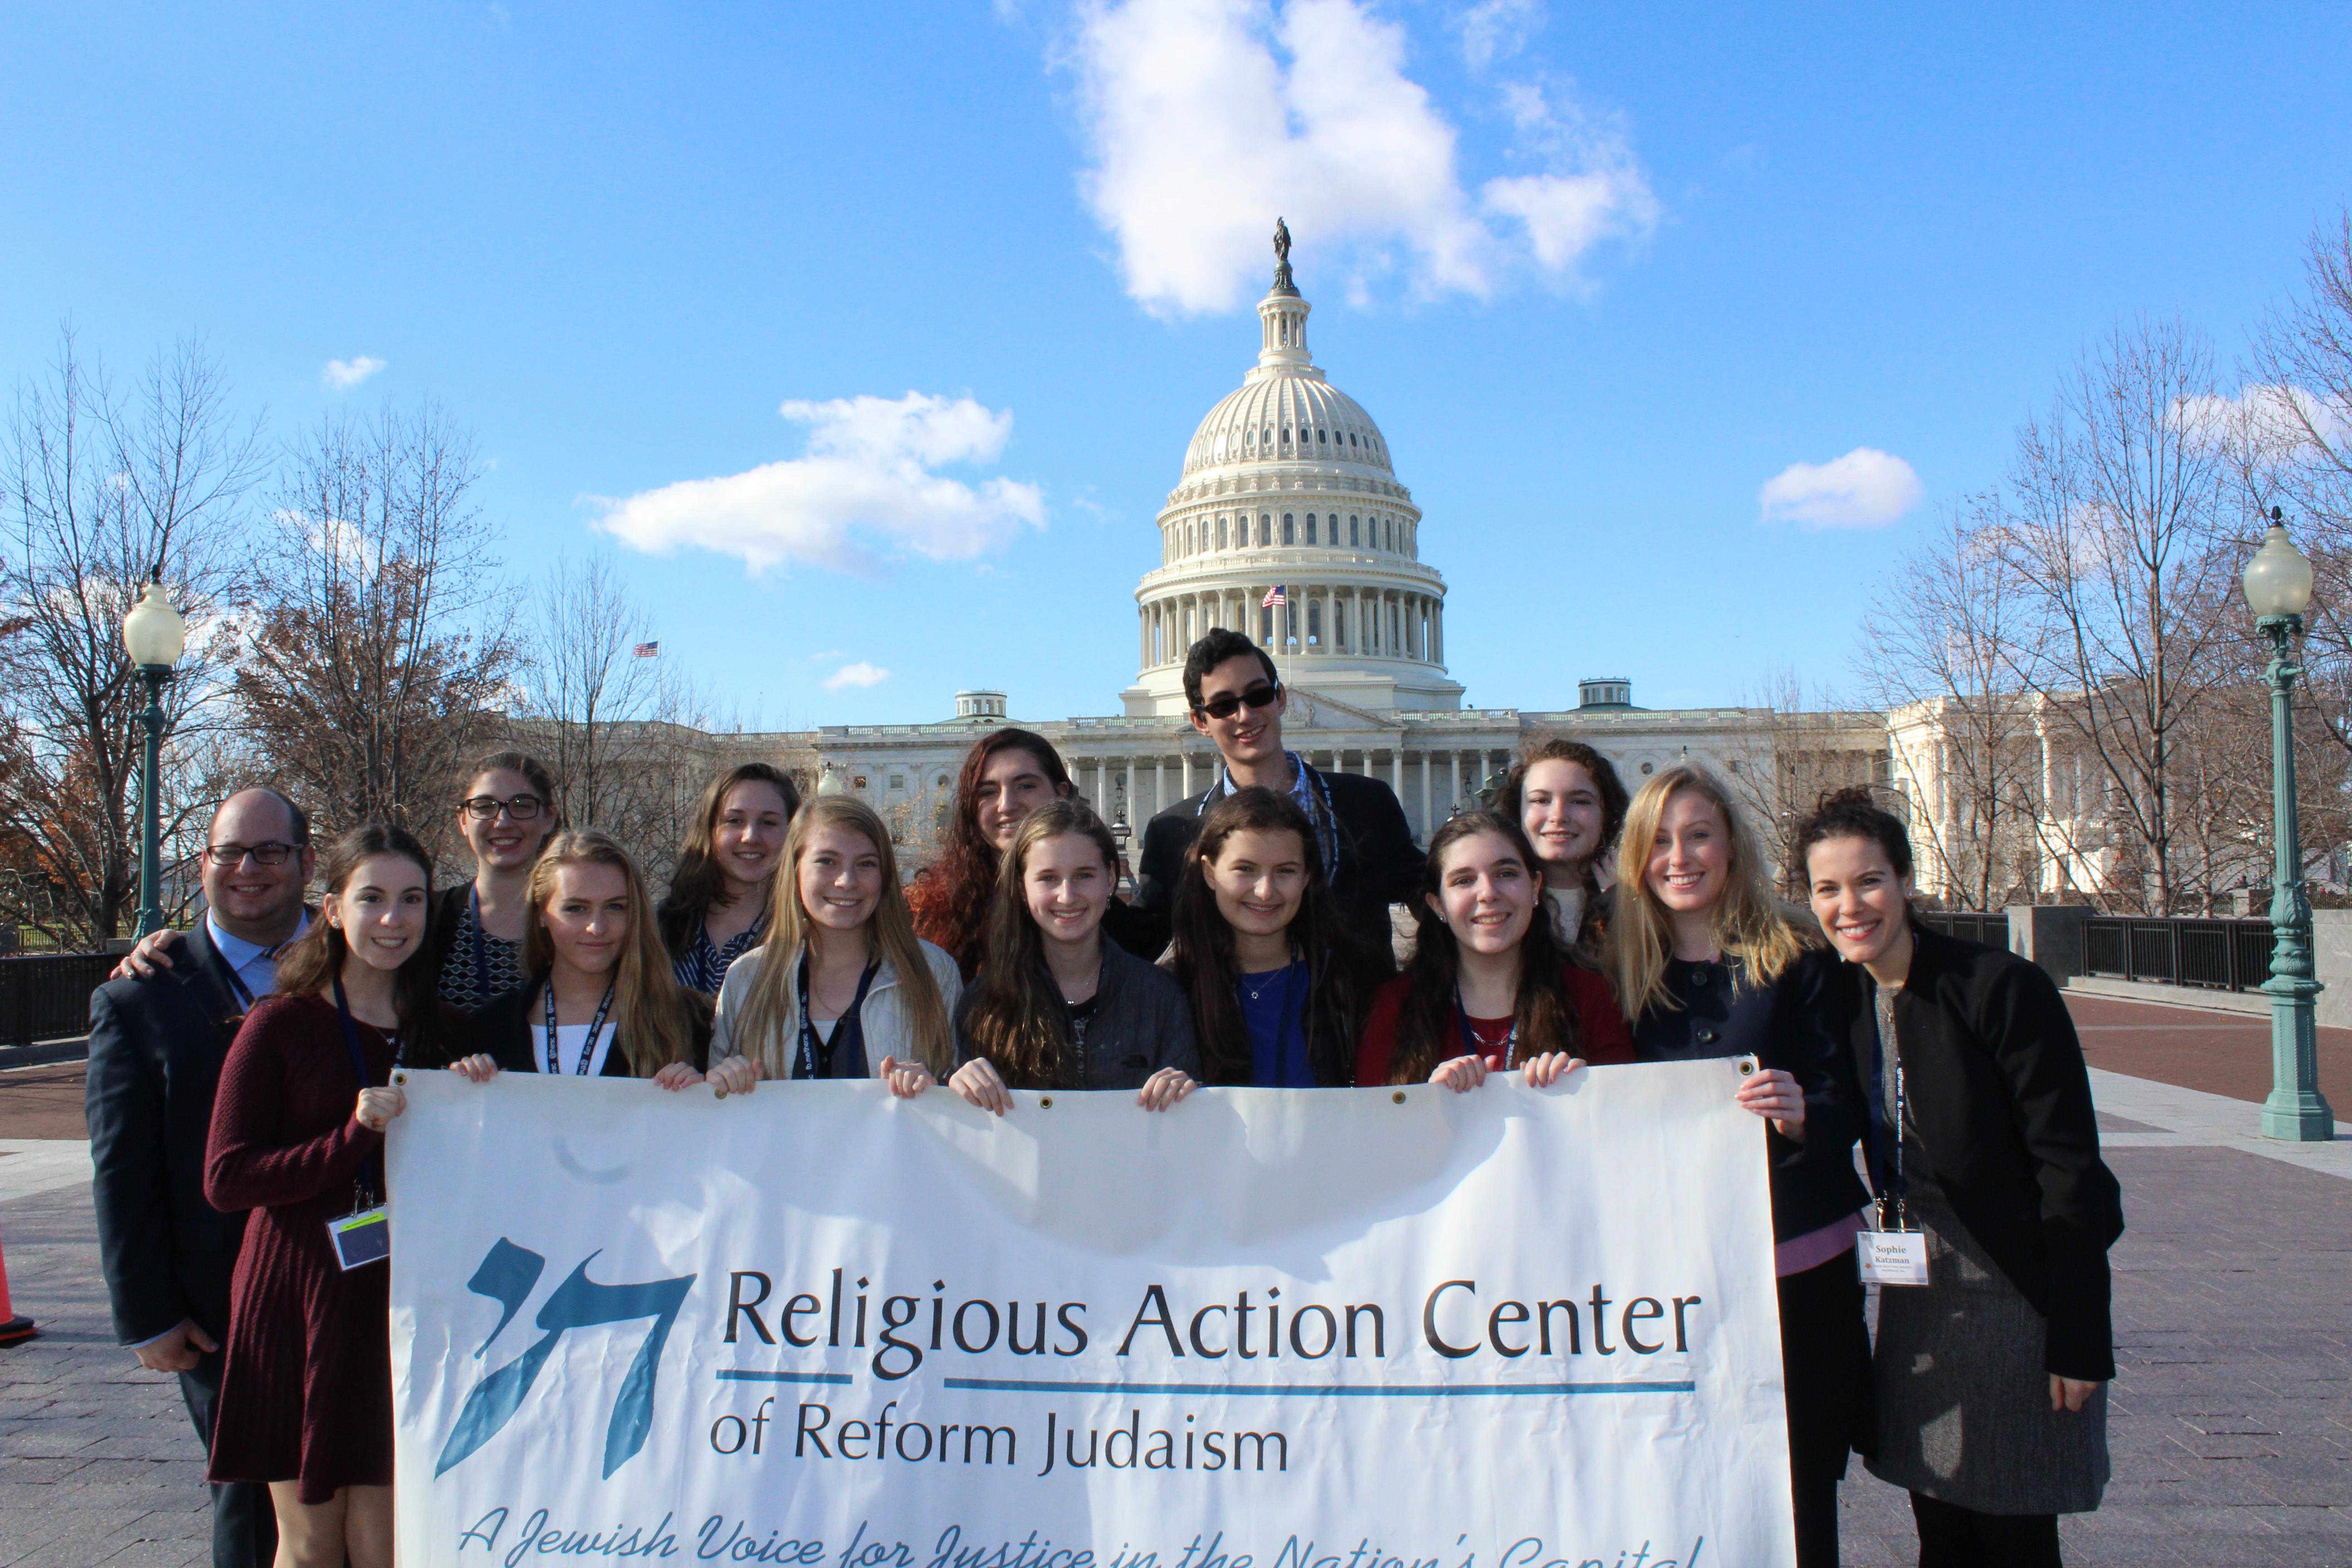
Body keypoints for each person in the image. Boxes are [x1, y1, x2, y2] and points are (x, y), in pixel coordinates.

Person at [1798, 787, 2122, 1567]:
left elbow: (2071, 1172)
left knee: (2011, 1527)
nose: (1850, 905)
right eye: (1826, 889)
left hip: (2013, 1291)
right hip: (1916, 1300)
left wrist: (2079, 1338)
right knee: (1939, 1528)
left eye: (1868, 880)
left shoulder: (1999, 988)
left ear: (1906, 881)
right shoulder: (1845, 995)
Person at [1609, 765, 1871, 1568]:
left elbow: (1848, 1098)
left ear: (1729, 845)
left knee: (1797, 1490)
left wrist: (1800, 1113)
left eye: (1697, 835)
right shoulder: (1614, 971)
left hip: (1794, 1265)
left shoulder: (1798, 954)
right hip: (1674, 1276)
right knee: (1687, 1483)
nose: (1678, 857)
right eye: (1658, 841)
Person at [202, 825, 466, 1568]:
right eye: (373, 898)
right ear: (333, 909)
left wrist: (481, 1089)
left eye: (411, 899)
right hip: (298, 1300)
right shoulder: (279, 1025)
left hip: (399, 1305)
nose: (394, 918)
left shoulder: (446, 1034)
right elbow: (227, 1178)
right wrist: (348, 1138)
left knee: (386, 1543)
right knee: (311, 1542)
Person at [85, 787, 314, 1568]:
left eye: (271, 853)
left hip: (358, 1283)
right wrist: (146, 1312)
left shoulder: (369, 961)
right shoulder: (140, 996)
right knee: (250, 1496)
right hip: (219, 1306)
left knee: (354, 1490)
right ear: (205, 864)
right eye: (230, 853)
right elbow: (123, 1164)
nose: (249, 870)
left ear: (306, 863)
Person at [1132, 629, 1421, 962]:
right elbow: (1134, 943)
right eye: (1224, 706)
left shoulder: (1367, 804)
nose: (1246, 716)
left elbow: (1433, 898)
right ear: (1200, 721)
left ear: (1281, 697)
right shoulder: (1173, 832)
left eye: (1257, 696)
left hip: (1356, 1011)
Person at [950, 800, 1200, 1113]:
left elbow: (1189, 1131)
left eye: (1083, 876)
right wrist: (953, 1086)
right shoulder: (985, 1001)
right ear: (1021, 887)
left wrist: (1187, 1094)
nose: (1067, 896)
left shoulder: (1160, 996)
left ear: (1110, 879)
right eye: (1048, 878)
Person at [1354, 811, 1632, 1091]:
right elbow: (1377, 1127)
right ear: (1438, 905)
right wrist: (1430, 1103)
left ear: (1535, 887)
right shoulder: (1395, 1007)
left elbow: (1626, 1117)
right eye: (1464, 880)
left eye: (1506, 874)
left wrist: (1582, 1091)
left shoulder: (1591, 998)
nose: (1488, 893)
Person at [708, 796, 961, 1091]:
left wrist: (938, 1087)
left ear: (885, 875)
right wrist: (723, 1083)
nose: (846, 881)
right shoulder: (748, 977)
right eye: (827, 862)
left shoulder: (932, 971)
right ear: (795, 868)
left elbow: (957, 1092)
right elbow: (715, 1108)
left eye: (866, 864)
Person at [468, 830, 750, 1091]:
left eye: (615, 907)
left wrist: (711, 1091)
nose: (597, 927)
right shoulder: (490, 1026)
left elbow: (719, 1130)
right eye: (576, 908)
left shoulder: (690, 1021)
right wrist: (463, 1083)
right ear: (542, 913)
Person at [1163, 787, 1379, 1087]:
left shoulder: (1354, 981)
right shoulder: (1167, 993)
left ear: (1307, 878)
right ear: (1210, 873)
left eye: (1285, 872)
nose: (1265, 891)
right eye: (1245, 869)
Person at [906, 728, 1077, 980]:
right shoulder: (931, 914)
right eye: (987, 792)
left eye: (1026, 786)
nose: (1006, 805)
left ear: (1060, 793)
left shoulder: (1093, 907)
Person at [431, 751, 561, 1009]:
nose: (503, 822)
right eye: (483, 806)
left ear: (549, 817)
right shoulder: (429, 919)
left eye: (522, 805)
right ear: (463, 821)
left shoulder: (576, 922)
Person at [658, 763, 801, 993]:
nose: (751, 837)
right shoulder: (655, 927)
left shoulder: (808, 937)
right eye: (734, 821)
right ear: (709, 830)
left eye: (768, 823)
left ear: (794, 833)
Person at [1492, 738, 1629, 959]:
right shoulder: (1493, 899)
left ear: (1607, 814)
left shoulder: (1641, 902)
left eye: (1580, 802)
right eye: (1541, 800)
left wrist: (1619, 907)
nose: (1558, 816)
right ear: (1518, 812)